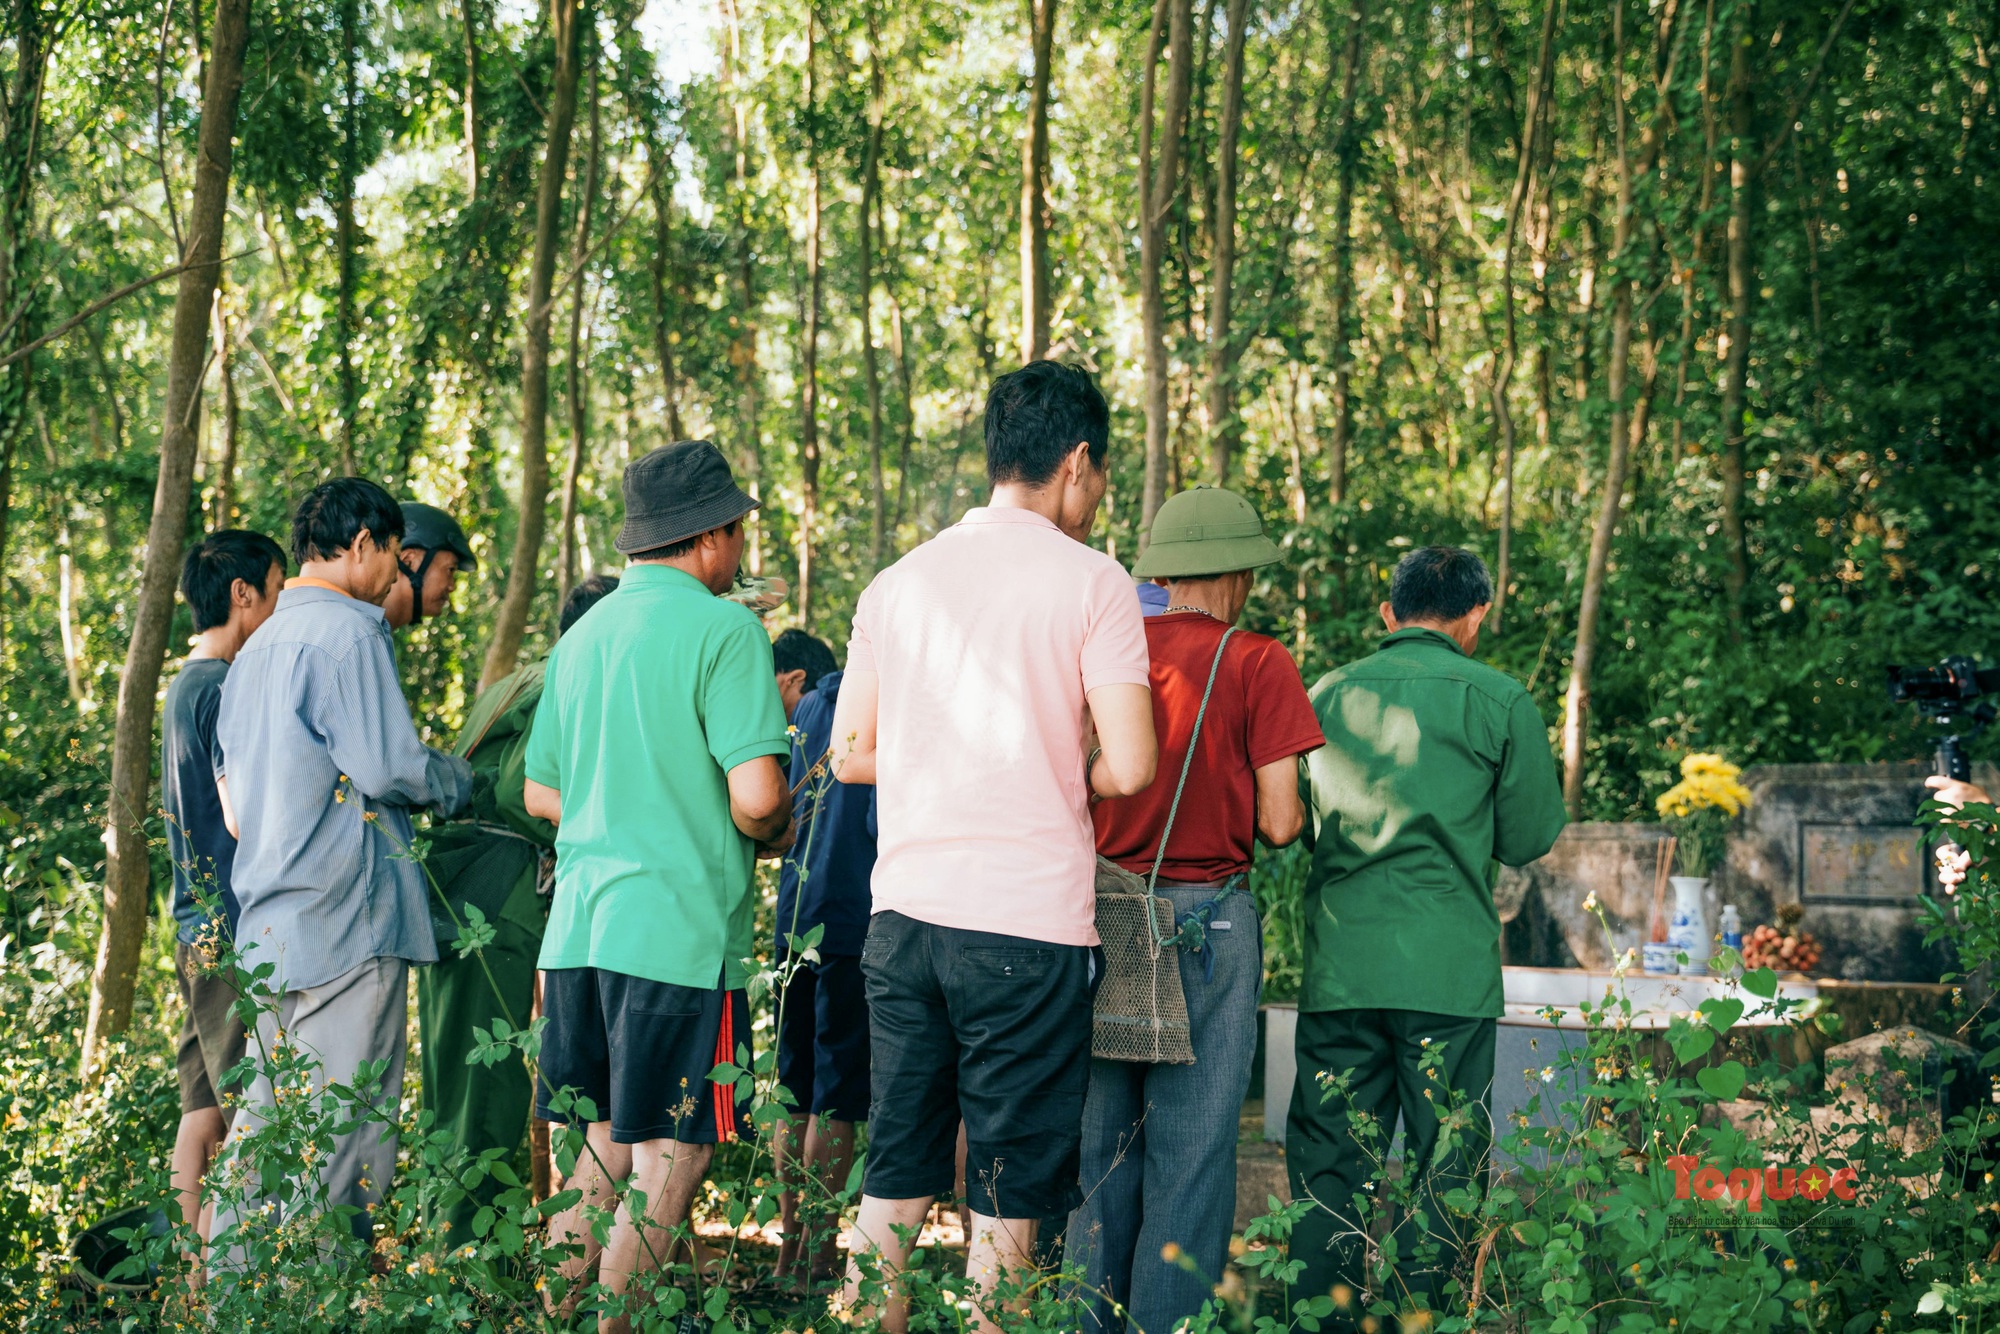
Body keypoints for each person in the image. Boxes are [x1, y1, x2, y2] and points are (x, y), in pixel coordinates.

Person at [830, 360, 1159, 1332]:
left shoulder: (897, 581)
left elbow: (849, 752)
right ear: (1076, 461)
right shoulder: (1092, 582)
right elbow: (1132, 764)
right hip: (1022, 927)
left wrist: (949, 760)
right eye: (1099, 476)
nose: (1096, 495)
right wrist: (1065, 768)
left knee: (892, 1169)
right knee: (1008, 1190)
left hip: (904, 922)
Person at [523, 441, 795, 1332]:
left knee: (597, 1148)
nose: (744, 545)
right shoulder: (727, 633)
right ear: (710, 536)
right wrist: (779, 823)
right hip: (677, 940)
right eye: (740, 528)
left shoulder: (582, 638)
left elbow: (543, 791)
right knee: (672, 1157)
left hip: (578, 936)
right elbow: (756, 799)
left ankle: (555, 1313)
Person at [1068, 487, 1326, 1332]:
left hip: (1098, 916)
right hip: (1205, 922)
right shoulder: (1258, 661)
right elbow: (1283, 821)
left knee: (1100, 1148)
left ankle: (1084, 1320)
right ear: (1238, 573)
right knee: (1195, 1149)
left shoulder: (1107, 649)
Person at [1286, 545, 1567, 1322]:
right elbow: (1530, 835)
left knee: (1330, 1170)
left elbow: (1297, 823)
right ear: (1476, 615)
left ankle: (1320, 1319)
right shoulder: (1500, 699)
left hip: (1343, 969)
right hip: (1448, 977)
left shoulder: (1326, 695)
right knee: (1447, 1169)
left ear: (1389, 613)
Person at [210, 478, 475, 1251]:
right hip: (345, 924)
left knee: (262, 1134)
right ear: (363, 545)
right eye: (394, 557)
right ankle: (315, 1301)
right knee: (346, 1141)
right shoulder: (350, 631)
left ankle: (233, 1298)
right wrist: (461, 780)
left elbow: (234, 802)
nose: (396, 577)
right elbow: (390, 765)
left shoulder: (254, 647)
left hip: (269, 928)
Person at [415, 573, 621, 1241]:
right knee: (489, 1092)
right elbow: (517, 791)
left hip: (462, 891)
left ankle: (450, 1253)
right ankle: (475, 1269)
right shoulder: (570, 675)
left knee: (454, 1087)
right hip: (495, 901)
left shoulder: (524, 676)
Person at [163, 529, 287, 1247]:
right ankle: (219, 1281)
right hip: (233, 929)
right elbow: (240, 814)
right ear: (243, 594)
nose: (278, 605)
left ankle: (185, 1283)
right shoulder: (224, 687)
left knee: (200, 1110)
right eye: (275, 589)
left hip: (192, 927)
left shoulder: (185, 686)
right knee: (249, 1113)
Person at [770, 630, 875, 1289]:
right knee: (837, 1094)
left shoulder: (806, 711)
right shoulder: (883, 705)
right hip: (852, 921)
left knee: (794, 1087)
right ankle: (820, 1256)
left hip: (796, 917)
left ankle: (788, 1252)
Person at [382, 501, 476, 630]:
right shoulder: (356, 633)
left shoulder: (375, 635)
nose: (451, 586)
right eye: (450, 569)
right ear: (408, 561)